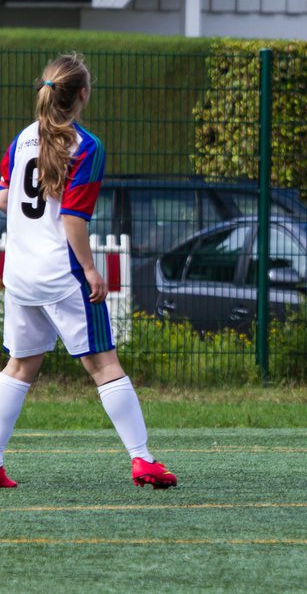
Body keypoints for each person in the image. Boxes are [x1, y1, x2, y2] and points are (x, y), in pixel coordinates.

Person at [0, 53, 177, 489]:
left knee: (19, 367)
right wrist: (92, 271)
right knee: (105, 366)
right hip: (61, 274)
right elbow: (73, 220)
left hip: (20, 273)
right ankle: (143, 460)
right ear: (82, 94)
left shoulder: (23, 138)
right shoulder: (87, 146)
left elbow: (5, 197)